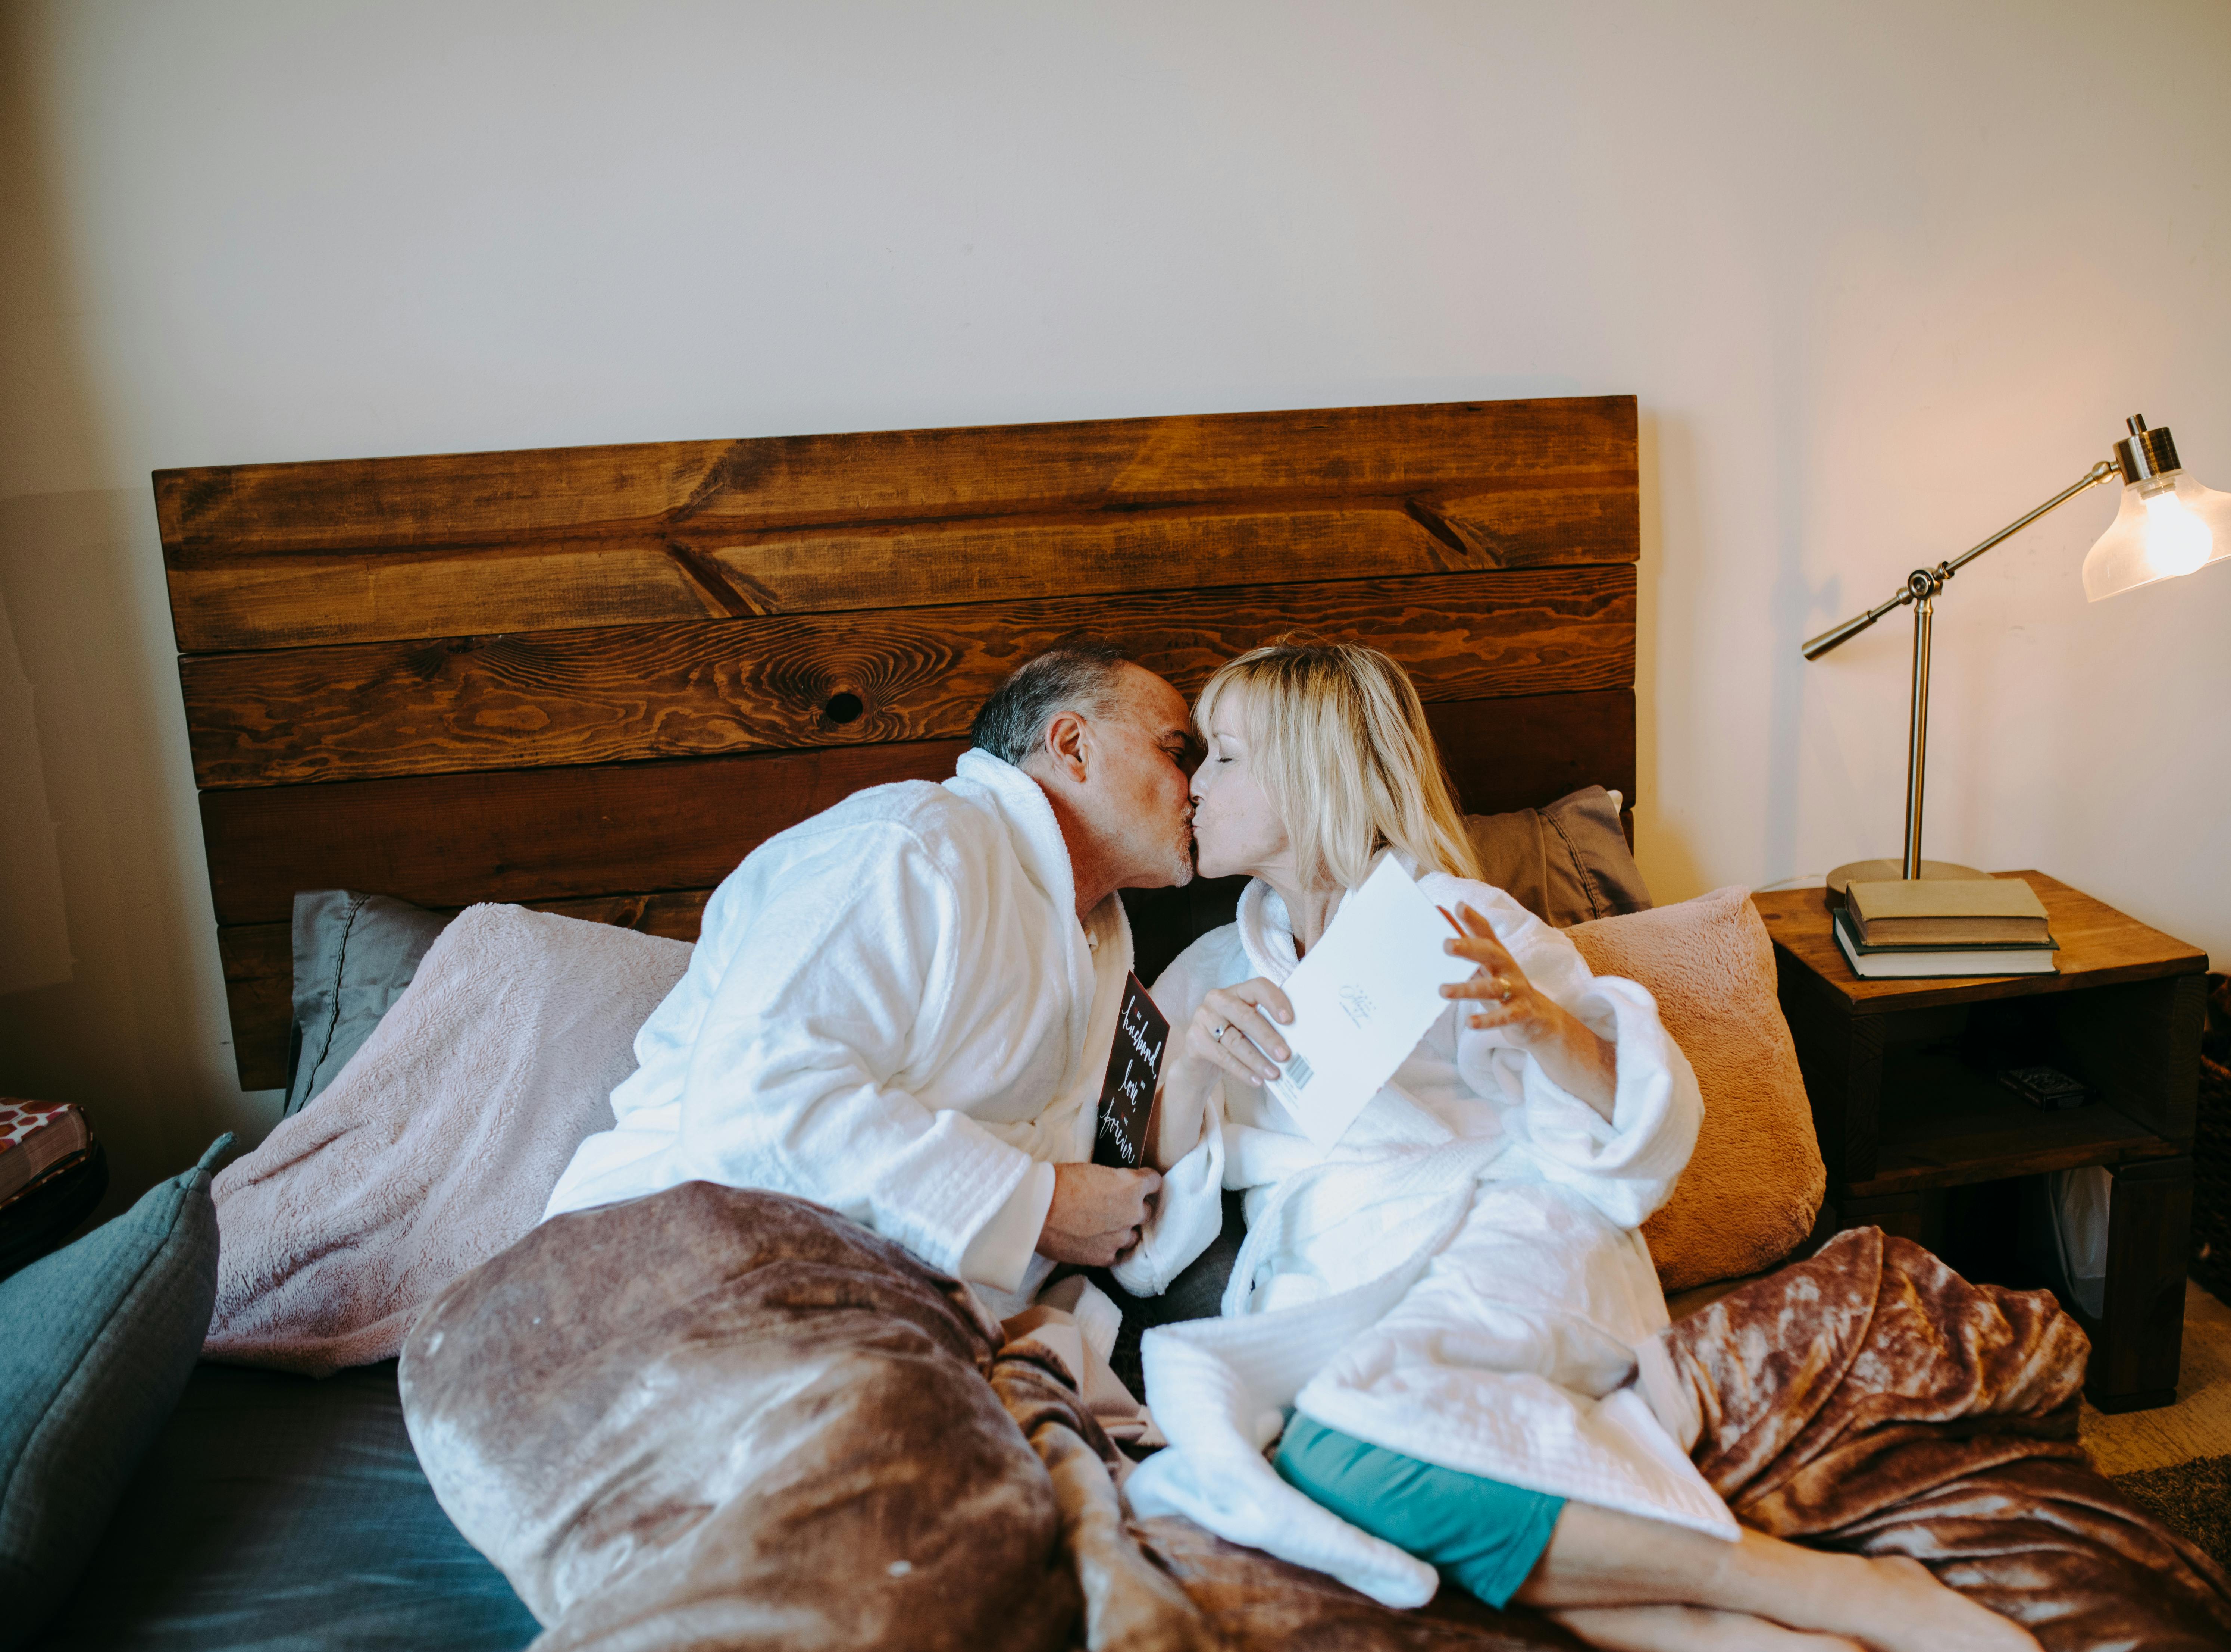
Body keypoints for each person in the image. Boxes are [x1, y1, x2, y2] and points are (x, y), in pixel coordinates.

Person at [1120, 641, 2039, 1652]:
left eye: (1225, 758)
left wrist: (1544, 1029)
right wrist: (1198, 1067)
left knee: (1342, 1444)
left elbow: (1629, 1131)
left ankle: (1829, 1591)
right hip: (1338, 1272)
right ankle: (1726, 1632)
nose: (1193, 785)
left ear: (1312, 771)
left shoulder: (1460, 920)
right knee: (1322, 1460)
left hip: (1506, 1229)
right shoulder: (1212, 967)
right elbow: (1145, 1204)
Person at [539, 641, 1188, 1307]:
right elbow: (755, 1102)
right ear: (1073, 746)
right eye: (1177, 751)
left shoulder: (1097, 936)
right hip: (654, 1272)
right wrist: (1038, 1208)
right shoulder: (910, 844)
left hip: (878, 1320)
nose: (1200, 788)